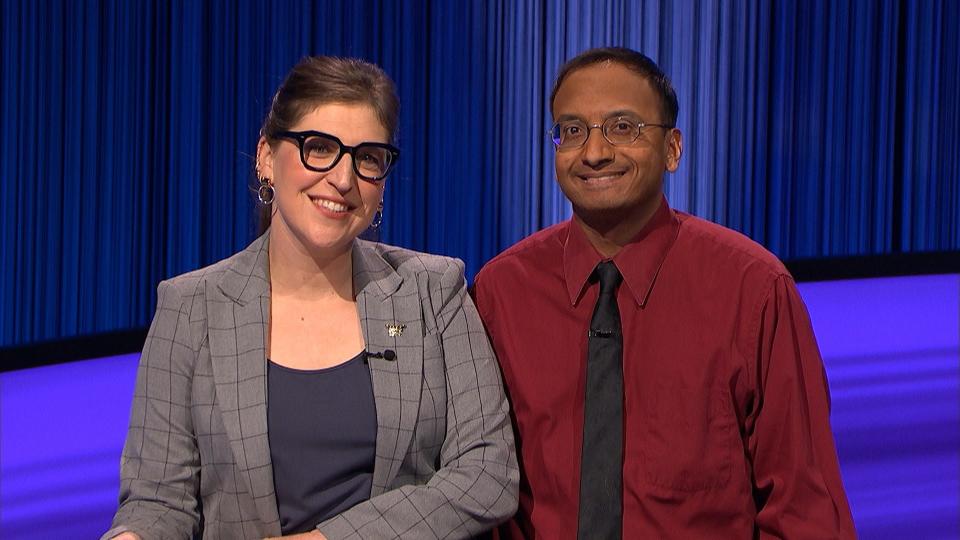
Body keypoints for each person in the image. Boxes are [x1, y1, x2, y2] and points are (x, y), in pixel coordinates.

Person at [104, 56, 518, 540]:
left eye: (367, 157)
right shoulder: (190, 307)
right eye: (318, 148)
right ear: (265, 156)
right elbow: (158, 503)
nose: (343, 180)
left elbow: (488, 474)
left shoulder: (433, 290)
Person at [473, 47, 856, 538]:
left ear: (673, 149)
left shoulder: (754, 290)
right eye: (572, 131)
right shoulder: (500, 292)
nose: (594, 152)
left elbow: (806, 510)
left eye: (623, 127)